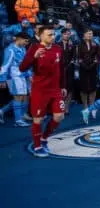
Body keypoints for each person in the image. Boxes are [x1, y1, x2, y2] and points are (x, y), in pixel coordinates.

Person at [19, 25, 66, 158]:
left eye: (53, 34)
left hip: (55, 89)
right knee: (38, 119)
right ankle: (37, 146)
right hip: (40, 90)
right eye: (49, 35)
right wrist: (33, 57)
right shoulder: (34, 48)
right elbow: (22, 68)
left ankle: (44, 138)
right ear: (40, 36)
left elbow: (61, 68)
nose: (53, 37)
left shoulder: (58, 48)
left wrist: (63, 86)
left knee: (59, 116)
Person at [0, 32, 32, 126]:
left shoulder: (22, 49)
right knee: (18, 97)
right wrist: (2, 79)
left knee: (24, 98)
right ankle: (18, 121)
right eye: (25, 41)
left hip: (22, 76)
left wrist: (29, 75)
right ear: (19, 39)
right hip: (13, 77)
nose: (26, 43)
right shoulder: (10, 50)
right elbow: (5, 66)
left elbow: (25, 63)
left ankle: (2, 111)